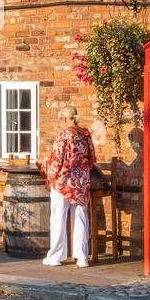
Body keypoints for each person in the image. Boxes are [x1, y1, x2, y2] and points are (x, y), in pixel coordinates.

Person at [39, 105, 97, 268]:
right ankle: (82, 257)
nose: (60, 123)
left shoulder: (63, 135)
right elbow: (92, 159)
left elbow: (57, 161)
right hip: (81, 181)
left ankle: (56, 256)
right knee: (80, 217)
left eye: (60, 120)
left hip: (63, 182)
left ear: (65, 119)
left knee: (58, 217)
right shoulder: (86, 134)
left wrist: (45, 167)